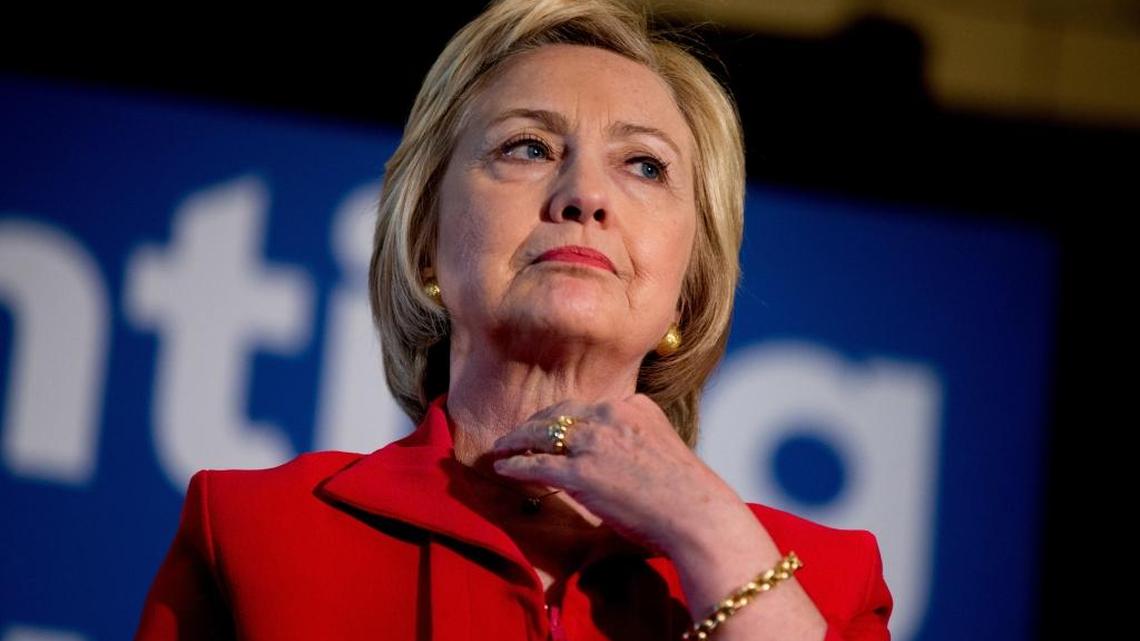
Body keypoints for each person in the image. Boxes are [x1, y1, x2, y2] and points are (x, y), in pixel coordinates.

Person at [133, 0, 894, 639]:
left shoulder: (829, 581)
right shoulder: (255, 534)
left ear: (689, 289)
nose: (584, 195)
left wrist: (714, 537)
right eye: (527, 147)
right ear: (425, 240)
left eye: (644, 165)